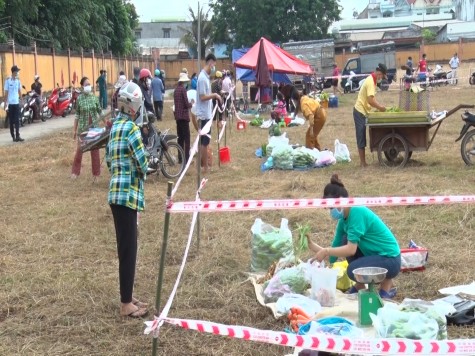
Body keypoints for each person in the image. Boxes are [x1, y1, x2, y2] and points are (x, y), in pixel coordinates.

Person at [306, 174, 401, 299]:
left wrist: (326, 251)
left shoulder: (356, 212)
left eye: (331, 207)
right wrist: (311, 245)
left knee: (353, 270)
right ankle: (362, 287)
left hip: (390, 259)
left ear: (341, 200)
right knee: (345, 239)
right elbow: (333, 255)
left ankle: (384, 290)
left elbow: (351, 250)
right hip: (378, 255)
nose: (331, 211)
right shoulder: (343, 221)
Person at [106, 81, 149, 318]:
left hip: (115, 194)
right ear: (134, 106)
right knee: (129, 249)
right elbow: (142, 163)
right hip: (127, 196)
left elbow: (109, 161)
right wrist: (142, 167)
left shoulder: (114, 127)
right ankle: (125, 305)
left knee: (126, 248)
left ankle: (128, 296)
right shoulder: (132, 129)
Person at [353, 63, 387, 167]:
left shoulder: (373, 80)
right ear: (378, 73)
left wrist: (378, 106)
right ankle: (363, 163)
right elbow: (370, 101)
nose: (381, 78)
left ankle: (363, 162)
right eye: (382, 75)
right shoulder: (370, 81)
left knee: (362, 135)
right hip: (359, 111)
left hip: (364, 111)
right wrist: (379, 107)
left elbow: (372, 98)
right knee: (361, 135)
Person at [192, 53, 221, 173]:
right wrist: (214, 95)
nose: (214, 68)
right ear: (210, 63)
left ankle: (201, 165)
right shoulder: (202, 78)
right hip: (204, 115)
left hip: (206, 114)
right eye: (214, 65)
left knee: (204, 141)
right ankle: (205, 167)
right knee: (204, 142)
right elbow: (202, 97)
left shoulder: (205, 77)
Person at [71, 77, 103, 179]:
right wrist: (74, 130)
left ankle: (96, 174)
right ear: (82, 87)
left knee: (95, 152)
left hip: (94, 129)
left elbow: (100, 112)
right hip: (83, 129)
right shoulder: (79, 99)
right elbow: (77, 116)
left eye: (89, 84)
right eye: (86, 84)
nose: (88, 86)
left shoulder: (94, 98)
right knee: (79, 151)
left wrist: (107, 122)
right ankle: (75, 173)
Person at [174, 72, 194, 164]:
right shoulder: (183, 90)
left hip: (178, 117)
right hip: (184, 117)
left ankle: (180, 158)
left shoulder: (176, 90)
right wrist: (192, 103)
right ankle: (187, 157)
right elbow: (186, 104)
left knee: (180, 138)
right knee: (187, 138)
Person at [4, 65, 24, 142]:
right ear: (14, 72)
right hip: (10, 104)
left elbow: (19, 91)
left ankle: (18, 136)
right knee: (12, 121)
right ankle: (13, 136)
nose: (18, 73)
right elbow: (6, 92)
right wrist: (5, 103)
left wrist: (22, 100)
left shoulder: (18, 81)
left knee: (17, 120)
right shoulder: (8, 81)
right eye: (17, 71)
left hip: (16, 103)